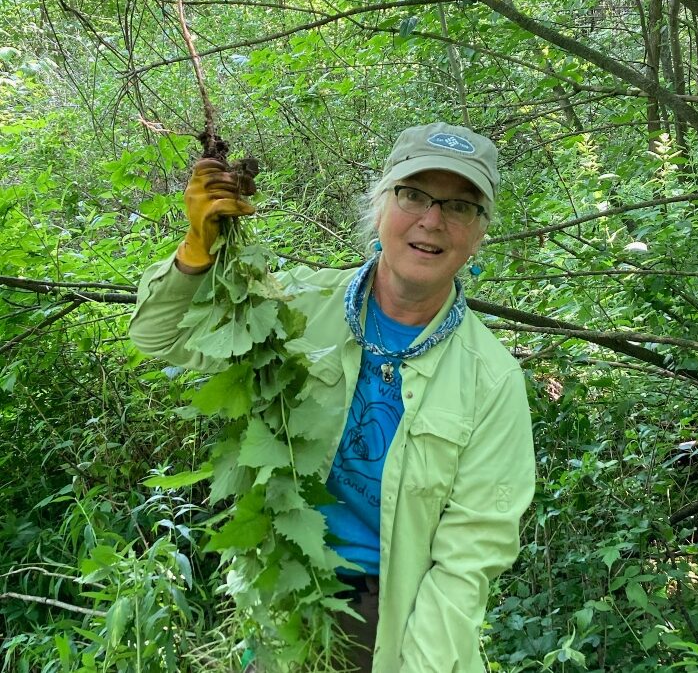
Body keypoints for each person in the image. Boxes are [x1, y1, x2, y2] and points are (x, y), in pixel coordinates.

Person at [129, 122, 536, 673]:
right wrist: (198, 248)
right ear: (380, 205)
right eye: (413, 194)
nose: (432, 220)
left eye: (460, 206)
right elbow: (160, 336)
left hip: (384, 620)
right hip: (280, 589)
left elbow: (468, 560)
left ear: (480, 232)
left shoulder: (491, 380)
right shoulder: (298, 305)